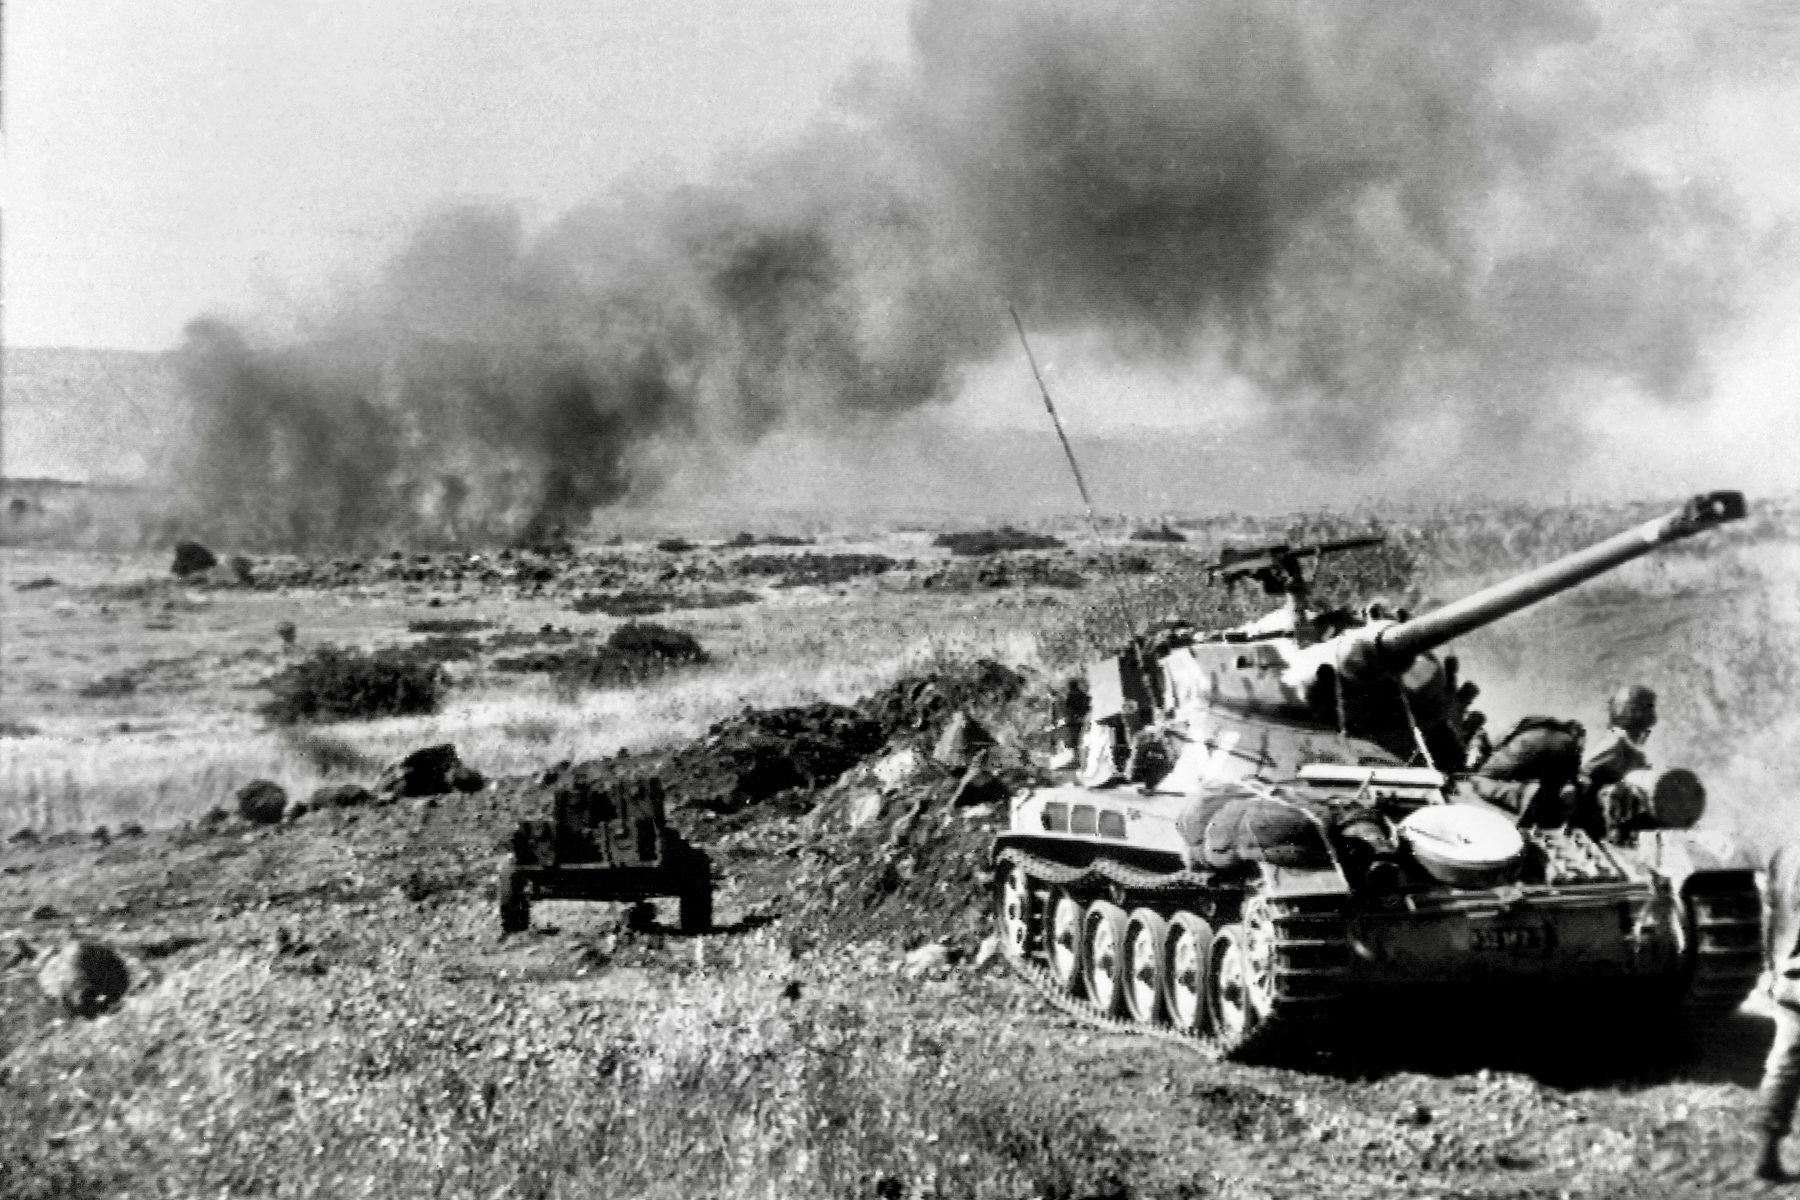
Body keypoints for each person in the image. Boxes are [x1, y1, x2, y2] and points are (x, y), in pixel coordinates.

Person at [1756, 843, 1800, 1181]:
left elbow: (1768, 913)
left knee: (1784, 1063)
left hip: (1790, 974)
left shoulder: (1784, 853)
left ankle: (1766, 1155)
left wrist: (1771, 966)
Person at [1580, 684, 1657, 841]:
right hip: (1601, 824)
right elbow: (1584, 776)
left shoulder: (1629, 750)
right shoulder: (1615, 745)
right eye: (1648, 708)